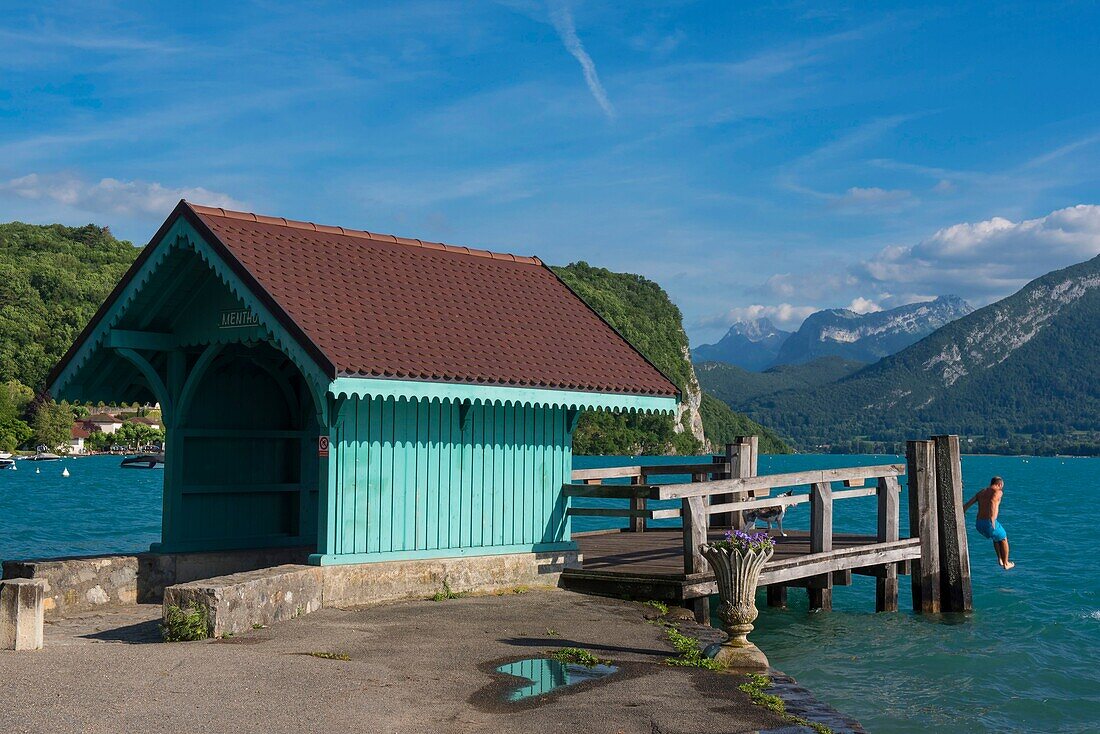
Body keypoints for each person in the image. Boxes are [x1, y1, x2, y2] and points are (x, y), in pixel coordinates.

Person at [964, 476, 1014, 570]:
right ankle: (1006, 563)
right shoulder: (998, 492)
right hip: (989, 523)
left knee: (995, 538)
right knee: (1004, 538)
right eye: (1001, 486)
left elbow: (968, 504)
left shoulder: (981, 492)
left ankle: (1000, 559)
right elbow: (992, 501)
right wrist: (992, 518)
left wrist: (963, 510)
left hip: (979, 524)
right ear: (999, 484)